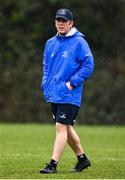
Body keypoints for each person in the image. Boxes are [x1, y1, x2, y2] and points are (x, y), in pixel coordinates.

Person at [40, 8, 94, 174]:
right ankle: (82, 159)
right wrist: (45, 84)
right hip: (54, 92)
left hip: (70, 93)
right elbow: (46, 66)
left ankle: (53, 164)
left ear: (71, 23)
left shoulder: (79, 42)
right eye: (58, 20)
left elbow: (88, 66)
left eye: (64, 21)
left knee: (60, 127)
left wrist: (71, 83)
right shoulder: (50, 43)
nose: (61, 23)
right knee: (66, 127)